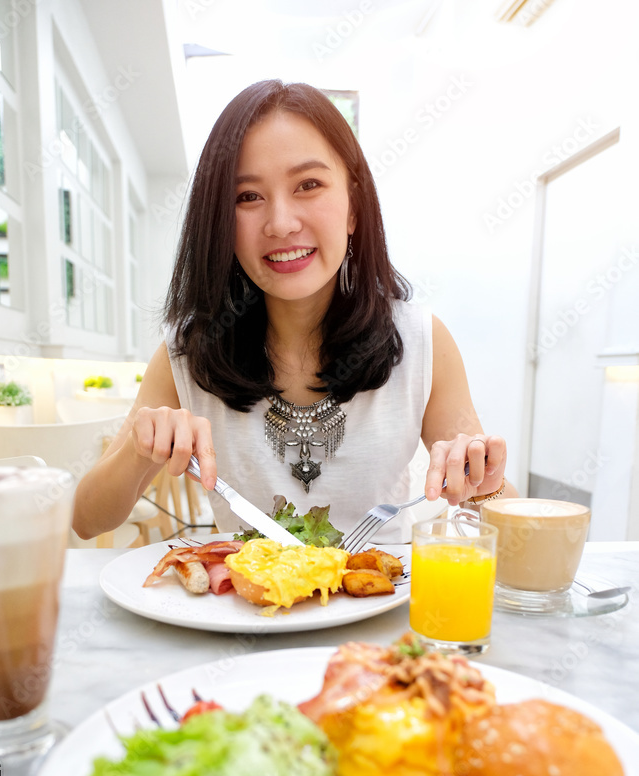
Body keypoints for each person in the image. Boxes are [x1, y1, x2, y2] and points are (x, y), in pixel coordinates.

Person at [73, 79, 515, 544]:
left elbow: (509, 522)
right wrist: (140, 453)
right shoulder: (189, 351)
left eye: (309, 185)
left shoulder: (420, 340)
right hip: (245, 611)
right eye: (248, 197)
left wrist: (486, 484)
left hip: (385, 609)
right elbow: (87, 519)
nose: (281, 223)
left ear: (353, 208)